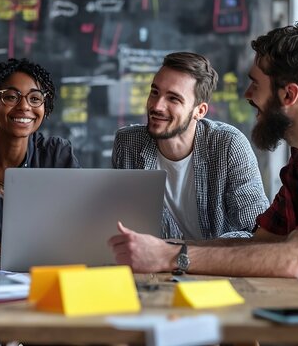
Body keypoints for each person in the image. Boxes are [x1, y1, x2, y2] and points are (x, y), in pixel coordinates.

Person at [109, 25, 298, 345]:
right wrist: (168, 250)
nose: (247, 95)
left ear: (289, 95)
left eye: (255, 84)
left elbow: (292, 259)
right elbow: (262, 243)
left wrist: (172, 257)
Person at [112, 52, 269, 240]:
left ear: (200, 111)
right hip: (152, 268)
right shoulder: (128, 144)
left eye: (173, 99)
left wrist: (185, 254)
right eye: (155, 92)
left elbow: (256, 231)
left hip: (214, 267)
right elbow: (123, 225)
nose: (157, 106)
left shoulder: (228, 146)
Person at [0, 58, 80, 252]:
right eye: (11, 97)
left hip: (44, 265)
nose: (24, 106)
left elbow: (80, 218)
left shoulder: (56, 155)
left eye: (35, 98)